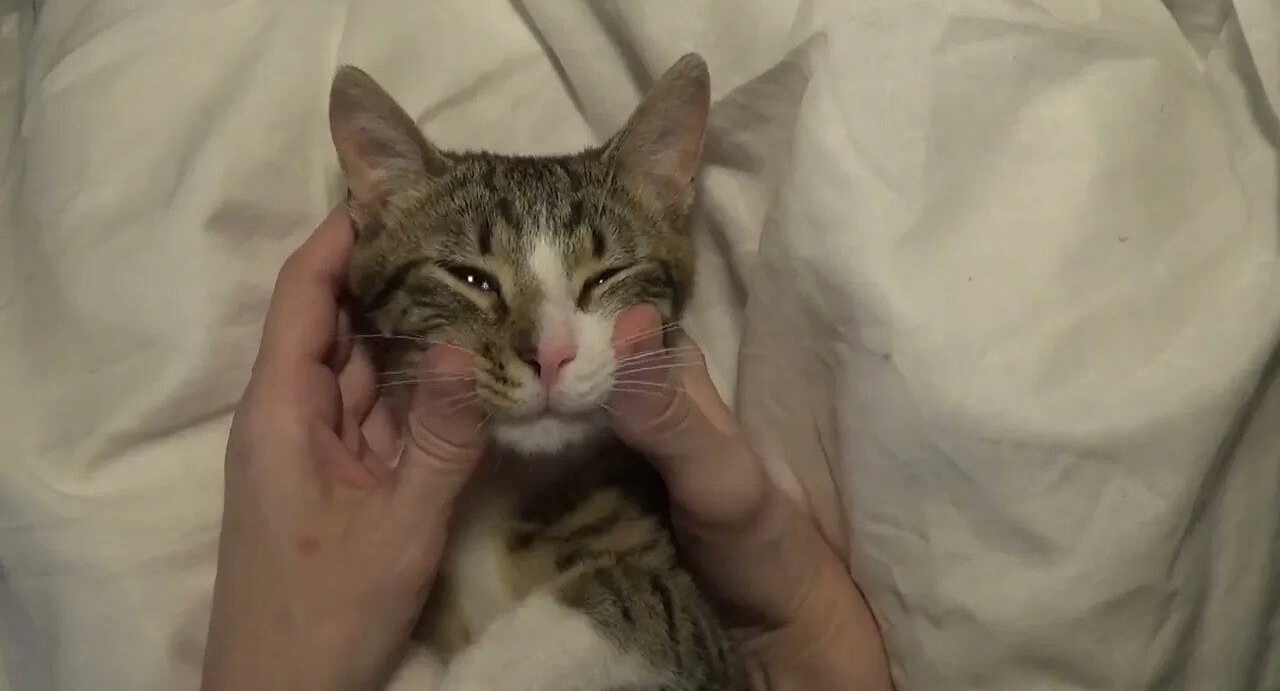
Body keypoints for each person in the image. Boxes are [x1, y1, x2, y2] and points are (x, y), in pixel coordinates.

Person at [200, 207, 894, 691]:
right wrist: (806, 623)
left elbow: (703, 660)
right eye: (474, 281)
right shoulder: (378, 546)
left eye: (602, 281)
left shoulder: (639, 513)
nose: (544, 350)